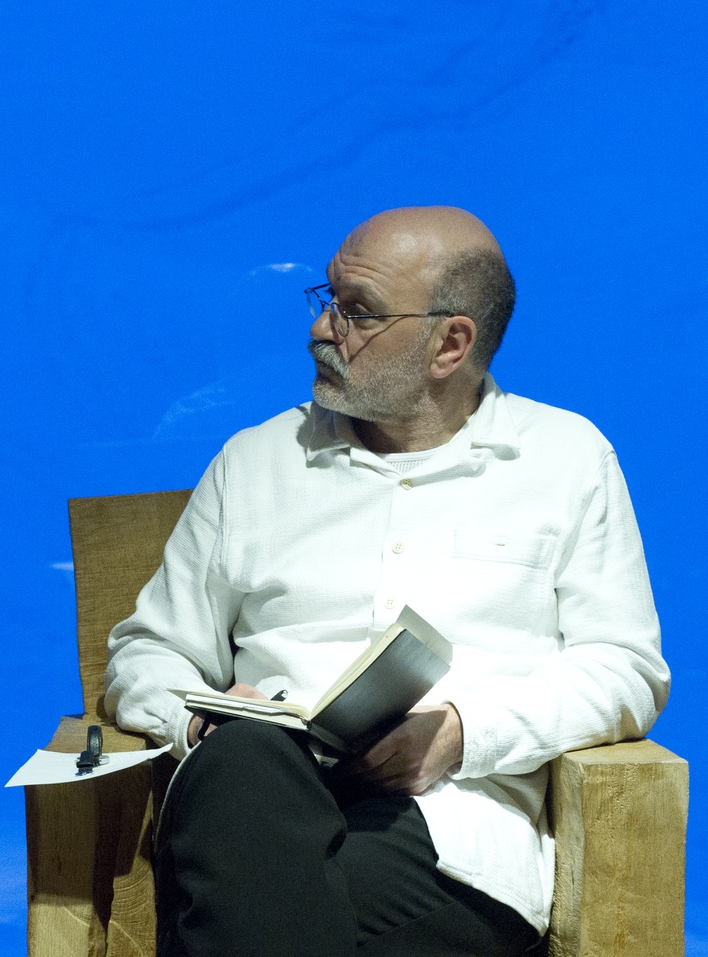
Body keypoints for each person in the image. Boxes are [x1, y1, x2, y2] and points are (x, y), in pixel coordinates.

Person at [104, 205, 668, 957]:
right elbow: (147, 652)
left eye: (358, 312)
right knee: (243, 760)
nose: (321, 328)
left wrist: (463, 734)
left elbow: (624, 669)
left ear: (450, 344)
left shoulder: (567, 459)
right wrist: (203, 720)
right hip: (254, 807)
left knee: (251, 914)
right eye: (328, 299)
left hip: (450, 832)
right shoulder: (254, 461)